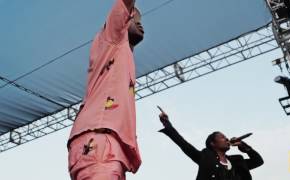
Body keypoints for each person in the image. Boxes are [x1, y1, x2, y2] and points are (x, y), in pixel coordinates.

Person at [67, 0, 144, 179]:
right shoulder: (111, 38)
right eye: (134, 18)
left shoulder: (123, 54)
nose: (140, 24)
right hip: (100, 144)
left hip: (107, 148)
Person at [158, 107, 264, 180]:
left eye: (226, 137)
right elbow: (184, 144)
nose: (226, 138)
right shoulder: (205, 157)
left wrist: (244, 146)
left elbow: (258, 161)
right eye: (222, 137)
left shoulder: (237, 161)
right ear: (213, 143)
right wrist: (167, 124)